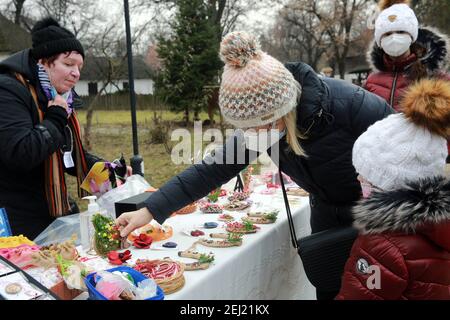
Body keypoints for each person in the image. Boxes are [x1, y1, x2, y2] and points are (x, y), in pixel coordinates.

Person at [116, 31, 393, 300]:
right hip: (326, 218)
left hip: (377, 217)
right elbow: (211, 169)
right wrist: (151, 209)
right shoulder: (261, 129)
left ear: (281, 111)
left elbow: (411, 150)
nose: (253, 135)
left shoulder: (350, 104)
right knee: (332, 287)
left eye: (258, 125)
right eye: (244, 128)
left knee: (376, 289)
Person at [336, 78, 450, 300]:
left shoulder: (381, 243)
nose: (359, 177)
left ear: (390, 183)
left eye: (367, 174)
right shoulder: (437, 223)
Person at [0, 18, 103, 239]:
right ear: (43, 63)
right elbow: (20, 152)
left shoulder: (57, 97)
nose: (76, 73)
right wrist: (55, 118)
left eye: (79, 66)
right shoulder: (8, 90)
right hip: (15, 223)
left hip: (50, 215)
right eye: (68, 64)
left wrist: (108, 172)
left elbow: (67, 154)